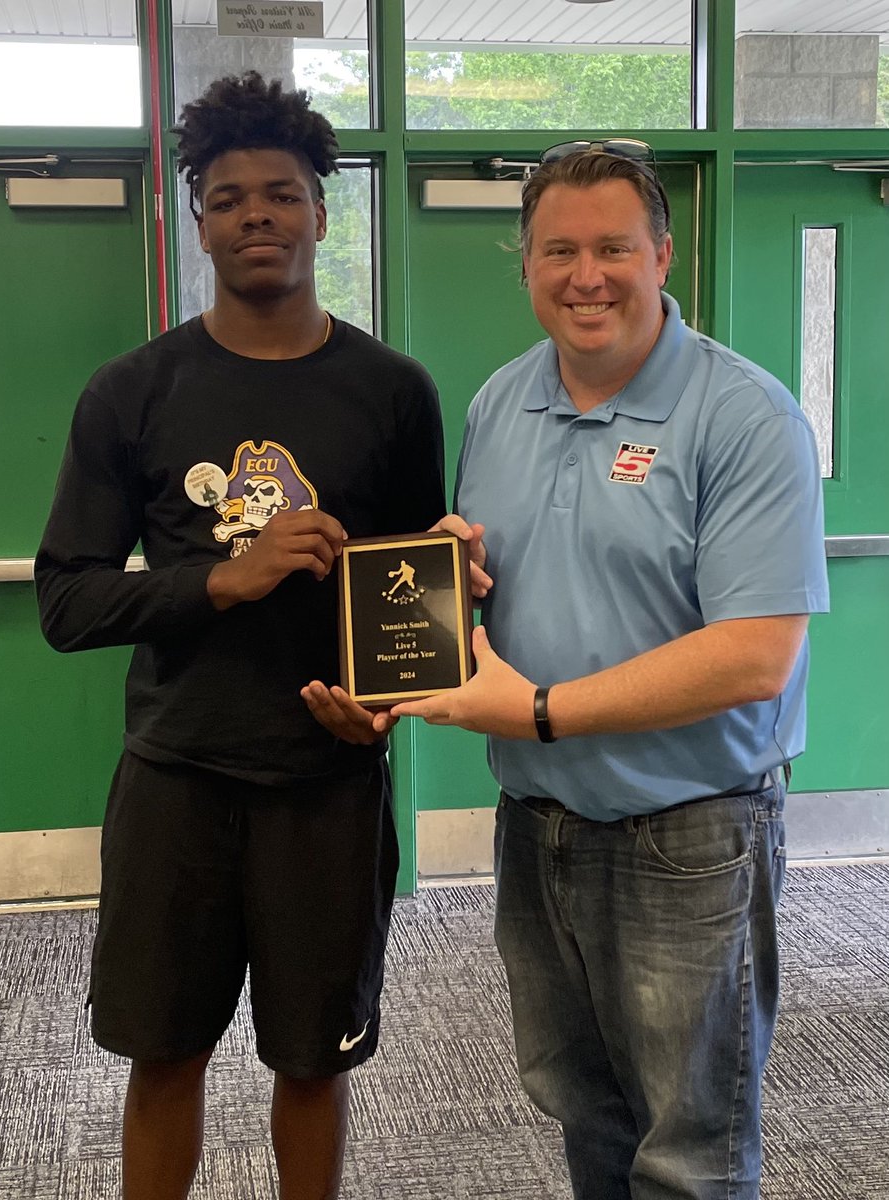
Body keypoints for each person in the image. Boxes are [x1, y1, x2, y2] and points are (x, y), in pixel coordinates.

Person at [390, 145, 829, 1199]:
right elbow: (537, 584)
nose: (587, 275)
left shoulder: (746, 416)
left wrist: (536, 711)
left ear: (662, 254)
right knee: (585, 1113)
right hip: (538, 834)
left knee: (689, 1149)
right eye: (559, 251)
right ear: (527, 266)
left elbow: (756, 655)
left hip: (691, 836)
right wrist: (458, 579)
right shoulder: (500, 403)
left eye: (613, 249)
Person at [35, 71, 444, 1200]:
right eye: (228, 198)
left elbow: (409, 593)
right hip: (177, 781)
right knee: (165, 1058)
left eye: (282, 192)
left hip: (330, 782)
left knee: (314, 1062)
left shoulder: (393, 390)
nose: (256, 213)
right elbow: (66, 601)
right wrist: (222, 580)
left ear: (322, 211)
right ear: (200, 222)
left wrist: (388, 702)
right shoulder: (135, 391)